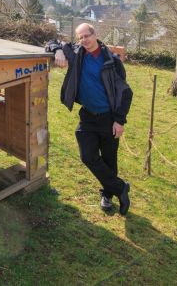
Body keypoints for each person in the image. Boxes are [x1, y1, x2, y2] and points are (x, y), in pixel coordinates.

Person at [46, 23, 133, 215]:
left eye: (87, 36)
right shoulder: (77, 54)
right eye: (80, 37)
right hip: (87, 116)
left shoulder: (111, 61)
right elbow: (51, 42)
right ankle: (120, 188)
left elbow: (125, 93)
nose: (84, 40)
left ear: (95, 35)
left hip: (109, 118)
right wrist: (58, 50)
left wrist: (119, 121)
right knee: (88, 156)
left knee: (109, 159)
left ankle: (108, 195)